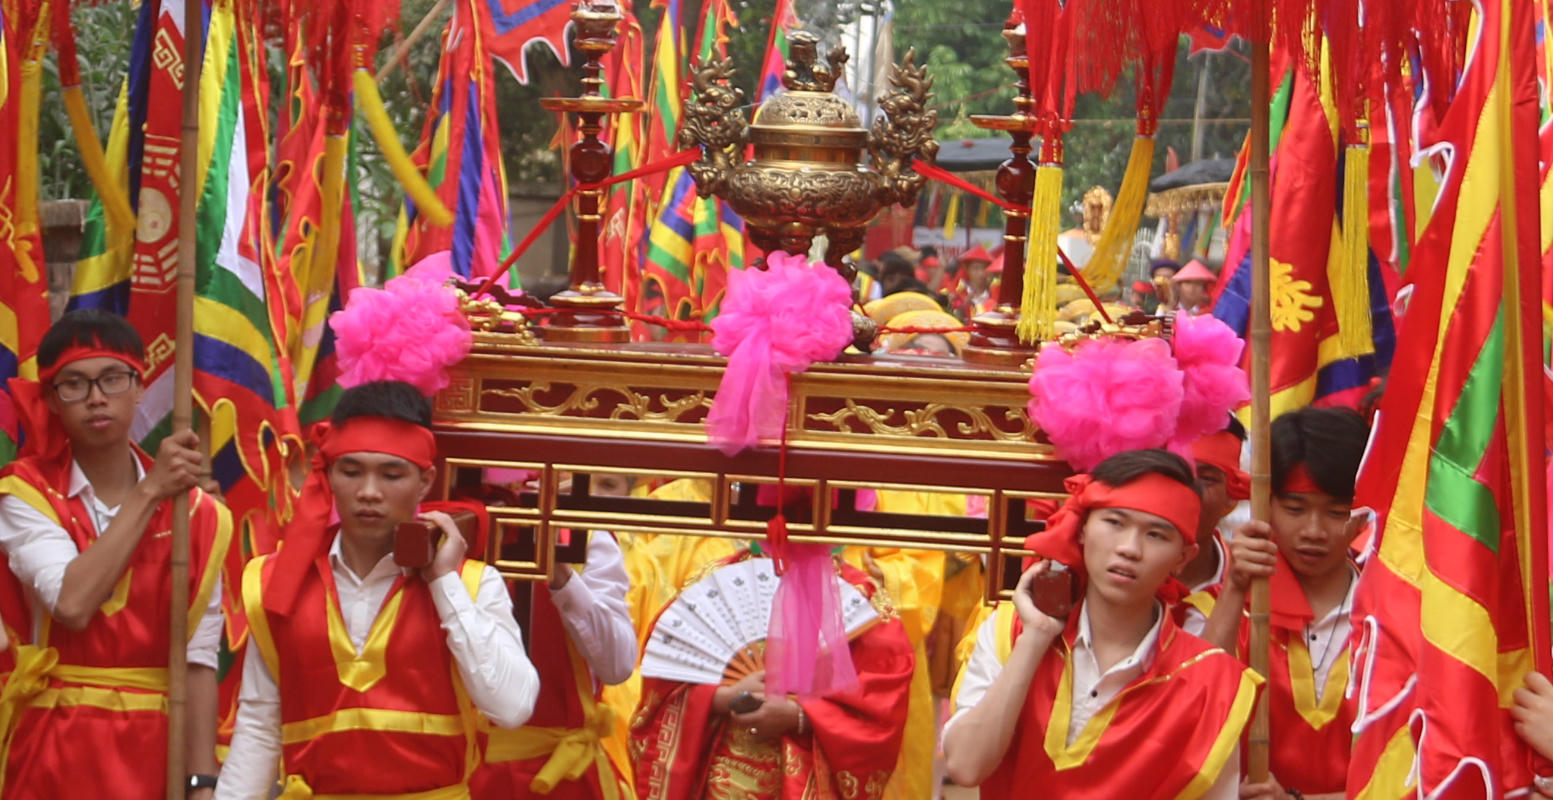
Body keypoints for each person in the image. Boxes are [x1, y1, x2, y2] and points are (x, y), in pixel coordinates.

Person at [216, 380, 541, 799]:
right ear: (329, 474)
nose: (369, 492)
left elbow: (512, 707)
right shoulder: (277, 584)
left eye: (391, 475)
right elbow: (260, 728)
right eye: (351, 472)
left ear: (425, 481)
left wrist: (444, 582)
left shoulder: (471, 584)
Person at [0, 309, 232, 800]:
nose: (96, 397)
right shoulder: (25, 493)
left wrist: (201, 782)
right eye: (74, 384)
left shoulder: (198, 514)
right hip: (55, 742)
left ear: (140, 387)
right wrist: (150, 492)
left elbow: (198, 661)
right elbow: (72, 602)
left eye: (112, 378)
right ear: (51, 399)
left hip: (157, 747)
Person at [943, 449, 1259, 799]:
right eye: (1115, 523)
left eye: (1156, 535)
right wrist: (1035, 638)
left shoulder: (1210, 680)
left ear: (1182, 558)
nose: (1129, 548)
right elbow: (966, 766)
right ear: (1081, 529)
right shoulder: (1011, 631)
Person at [629, 534, 915, 799]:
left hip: (802, 778)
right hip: (717, 778)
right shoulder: (714, 582)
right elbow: (665, 680)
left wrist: (800, 716)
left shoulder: (863, 601)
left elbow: (879, 707)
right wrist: (721, 698)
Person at [1201, 407, 1370, 800]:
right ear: (1265, 502)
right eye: (1295, 509)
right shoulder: (1223, 606)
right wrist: (1235, 588)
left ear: (1364, 514)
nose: (1314, 531)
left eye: (1337, 513)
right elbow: (1195, 709)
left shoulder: (1391, 614)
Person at [470, 523, 638, 798]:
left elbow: (617, 666)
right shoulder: (461, 528)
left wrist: (561, 575)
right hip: (468, 772)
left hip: (565, 774)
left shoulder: (583, 536)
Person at [1175, 418, 1250, 636]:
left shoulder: (1259, 589)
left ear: (1232, 497)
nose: (1191, 493)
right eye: (1176, 475)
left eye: (1207, 479)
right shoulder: (1104, 578)